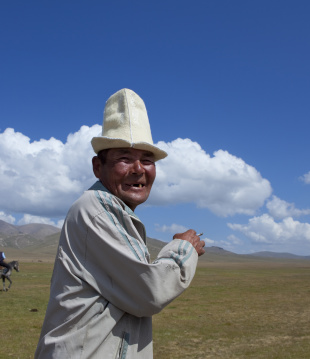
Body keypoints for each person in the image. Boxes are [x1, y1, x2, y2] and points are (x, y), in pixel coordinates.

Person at [35, 89, 205, 358]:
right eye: (124, 158)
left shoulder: (112, 211)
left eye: (147, 159)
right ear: (97, 167)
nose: (139, 169)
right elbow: (149, 291)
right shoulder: (98, 210)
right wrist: (183, 248)